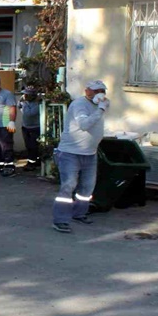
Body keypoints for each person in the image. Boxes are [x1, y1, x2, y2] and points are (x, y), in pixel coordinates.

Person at [52, 80, 110, 233]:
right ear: (87, 91)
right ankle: (61, 220)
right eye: (96, 91)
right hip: (70, 153)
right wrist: (101, 110)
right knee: (68, 186)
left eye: (102, 91)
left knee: (87, 187)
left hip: (90, 153)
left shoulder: (97, 105)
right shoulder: (79, 105)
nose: (100, 94)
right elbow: (84, 124)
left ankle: (79, 213)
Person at [18, 87, 41, 170]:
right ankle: (32, 161)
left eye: (27, 94)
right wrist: (22, 103)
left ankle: (32, 164)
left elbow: (29, 113)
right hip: (25, 126)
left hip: (34, 127)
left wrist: (24, 104)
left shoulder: (37, 104)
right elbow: (20, 108)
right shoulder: (25, 103)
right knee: (28, 145)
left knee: (33, 146)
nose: (25, 96)